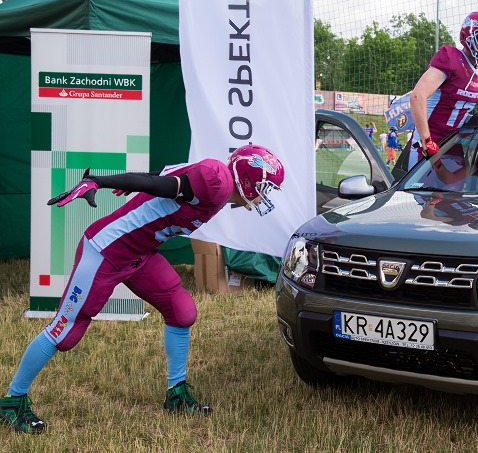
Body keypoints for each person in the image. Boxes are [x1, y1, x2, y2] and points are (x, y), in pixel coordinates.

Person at [0, 145, 285, 434]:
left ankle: (176, 394)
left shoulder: (218, 186)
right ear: (246, 179)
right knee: (65, 330)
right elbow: (160, 184)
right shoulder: (217, 182)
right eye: (264, 187)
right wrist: (99, 181)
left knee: (181, 311)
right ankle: (12, 400)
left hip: (139, 254)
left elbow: (163, 178)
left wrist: (138, 183)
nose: (264, 195)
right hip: (107, 251)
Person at [408, 11, 478, 166]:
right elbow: (417, 97)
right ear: (468, 37)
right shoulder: (450, 58)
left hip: (453, 142)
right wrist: (426, 140)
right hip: (429, 142)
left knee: (460, 180)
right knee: (426, 183)